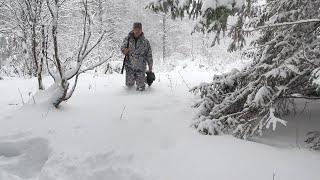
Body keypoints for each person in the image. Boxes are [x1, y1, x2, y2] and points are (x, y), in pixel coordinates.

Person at [121, 22, 153, 91]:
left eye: (139, 29)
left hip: (141, 68)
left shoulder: (145, 42)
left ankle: (146, 80)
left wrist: (150, 67)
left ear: (141, 30)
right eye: (135, 29)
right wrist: (124, 50)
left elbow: (149, 55)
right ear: (133, 29)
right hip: (129, 67)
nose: (137, 31)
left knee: (141, 88)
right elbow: (122, 48)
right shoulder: (127, 39)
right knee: (129, 86)